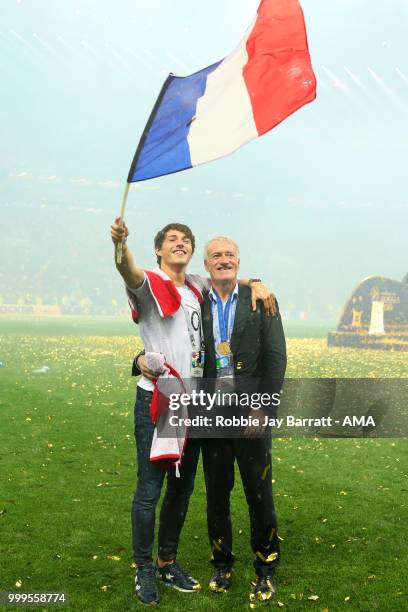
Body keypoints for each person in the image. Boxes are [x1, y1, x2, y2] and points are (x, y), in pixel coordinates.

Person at [110, 218, 275, 605]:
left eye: (185, 240)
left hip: (195, 404)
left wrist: (259, 283)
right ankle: (144, 570)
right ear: (159, 250)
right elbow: (126, 270)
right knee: (151, 489)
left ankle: (167, 561)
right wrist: (120, 246)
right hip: (162, 399)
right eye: (172, 240)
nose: (180, 244)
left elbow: (227, 276)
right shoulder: (151, 282)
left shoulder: (196, 285)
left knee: (182, 489)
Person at [200, 236, 287, 603]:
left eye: (230, 255)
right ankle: (222, 564)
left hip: (251, 413)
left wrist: (264, 408)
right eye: (216, 256)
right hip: (211, 414)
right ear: (206, 265)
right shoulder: (195, 301)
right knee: (217, 494)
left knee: (258, 494)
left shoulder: (260, 299)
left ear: (239, 261)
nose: (224, 260)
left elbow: (276, 358)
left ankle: (265, 568)